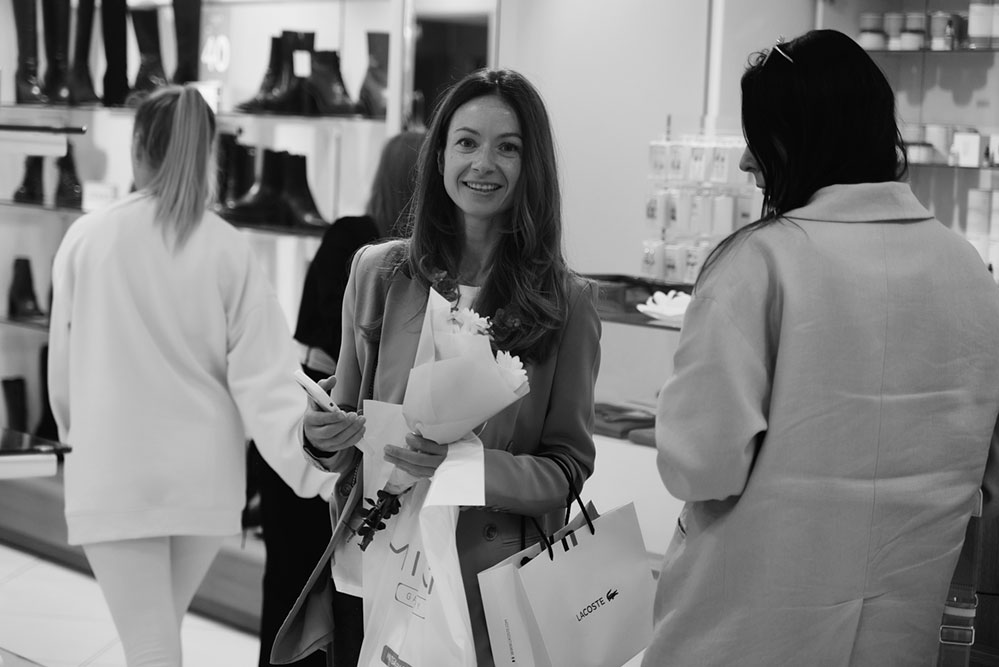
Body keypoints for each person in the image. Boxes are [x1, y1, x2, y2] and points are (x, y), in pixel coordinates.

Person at [645, 29, 999, 666]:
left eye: (759, 139)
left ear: (799, 138)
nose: (748, 162)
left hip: (748, 629)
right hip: (900, 634)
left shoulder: (761, 262)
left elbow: (701, 465)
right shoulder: (968, 270)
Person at [291, 68, 602, 667]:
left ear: (531, 166)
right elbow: (346, 428)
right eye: (466, 142)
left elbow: (567, 471)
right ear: (439, 157)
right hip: (370, 571)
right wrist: (320, 434)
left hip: (483, 595)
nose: (483, 163)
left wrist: (464, 466)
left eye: (508, 147)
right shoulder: (378, 273)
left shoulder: (567, 304)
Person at [47, 85, 337, 667]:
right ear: (210, 154)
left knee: (150, 645)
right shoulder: (229, 249)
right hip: (206, 484)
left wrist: (72, 442)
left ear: (138, 148)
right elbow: (266, 382)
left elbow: (62, 379)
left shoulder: (88, 238)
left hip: (114, 477)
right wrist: (324, 474)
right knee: (158, 636)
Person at [252, 130, 424, 667]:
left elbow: (316, 326)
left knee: (297, 596)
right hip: (337, 424)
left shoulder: (372, 249)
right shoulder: (377, 258)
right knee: (316, 598)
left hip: (333, 424)